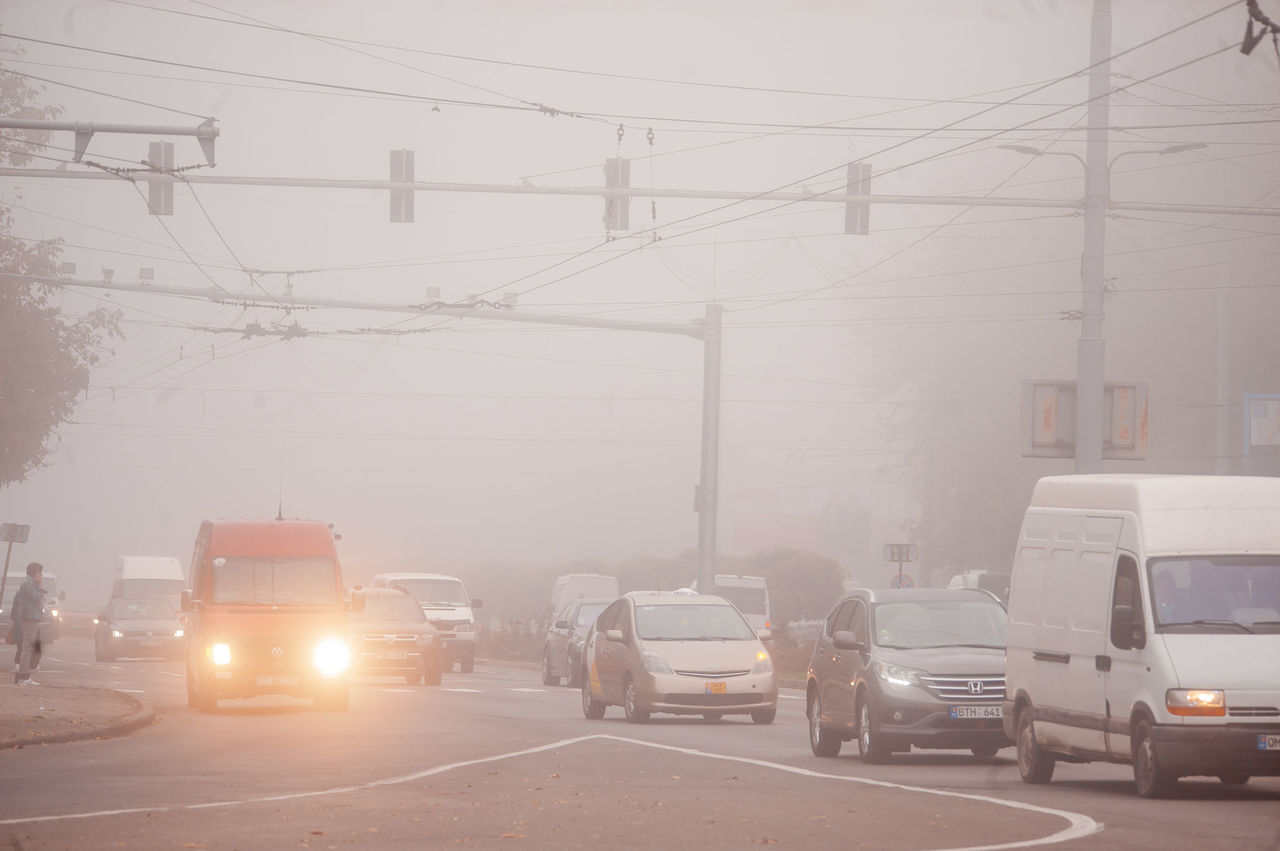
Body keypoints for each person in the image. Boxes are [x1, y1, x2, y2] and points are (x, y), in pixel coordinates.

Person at [12, 561, 46, 685]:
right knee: (27, 647)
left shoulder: (29, 584)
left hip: (32, 618)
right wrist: (41, 586)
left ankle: (24, 675)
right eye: (40, 573)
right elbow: (36, 597)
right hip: (29, 618)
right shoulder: (27, 584)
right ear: (35, 573)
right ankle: (24, 676)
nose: (41, 576)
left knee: (29, 646)